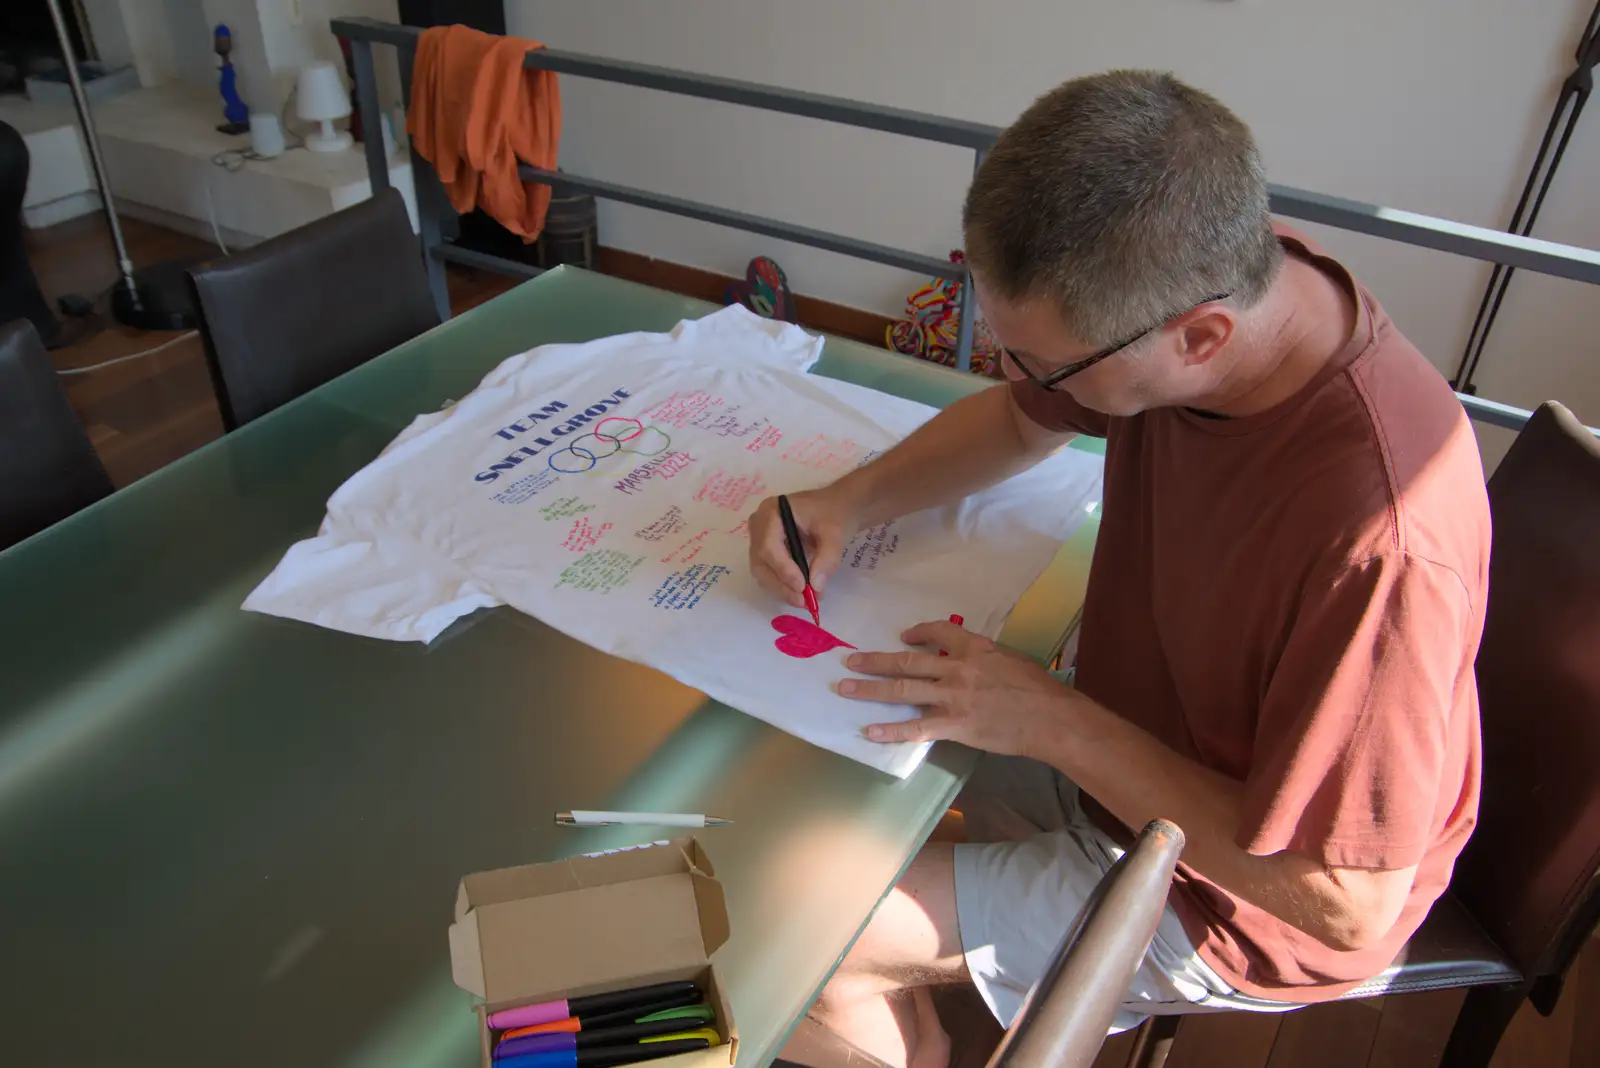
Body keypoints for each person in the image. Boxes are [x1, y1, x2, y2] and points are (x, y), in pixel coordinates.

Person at [746, 70, 1488, 1068]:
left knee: (783, 933)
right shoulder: (1236, 285)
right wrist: (848, 501)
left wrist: (1053, 723)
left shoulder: (1383, 544)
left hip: (1231, 895)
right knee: (794, 775)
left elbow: (1345, 907)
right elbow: (1020, 419)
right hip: (1126, 742)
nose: (1014, 379)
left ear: (1199, 340)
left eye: (1040, 362)